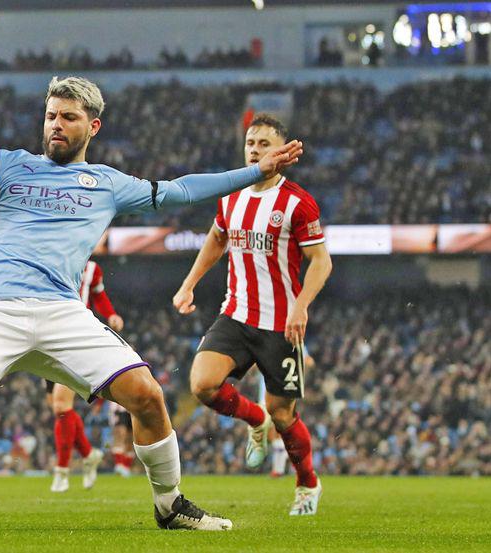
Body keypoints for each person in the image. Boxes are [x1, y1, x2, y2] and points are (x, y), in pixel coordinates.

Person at [0, 76, 302, 531]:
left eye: (69, 117)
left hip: (62, 311)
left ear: (92, 127)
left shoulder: (107, 184)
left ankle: (170, 505)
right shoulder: (6, 166)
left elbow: (182, 190)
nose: (57, 125)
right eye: (52, 116)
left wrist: (257, 171)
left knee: (148, 395)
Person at [172, 113, 331, 516]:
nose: (255, 149)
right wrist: (189, 282)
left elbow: (321, 262)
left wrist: (300, 306)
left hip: (281, 325)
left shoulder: (297, 201)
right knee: (203, 384)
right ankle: (254, 419)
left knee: (285, 415)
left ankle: (307, 484)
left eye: (264, 143)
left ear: (279, 149)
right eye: (250, 143)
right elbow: (216, 239)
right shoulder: (232, 195)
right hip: (237, 315)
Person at [45, 260, 120, 492]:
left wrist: (111, 314)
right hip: (48, 340)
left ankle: (62, 472)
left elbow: (99, 295)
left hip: (74, 339)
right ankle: (89, 454)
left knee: (60, 405)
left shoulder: (91, 268)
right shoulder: (50, 261)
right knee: (60, 411)